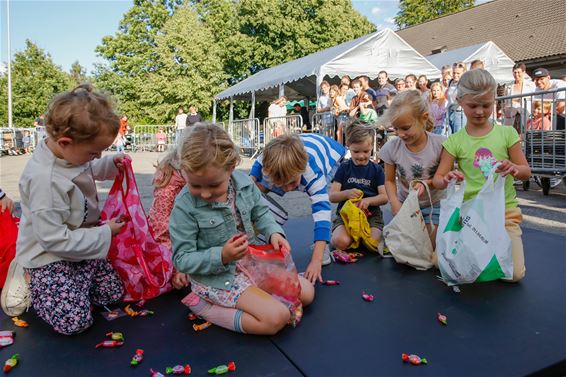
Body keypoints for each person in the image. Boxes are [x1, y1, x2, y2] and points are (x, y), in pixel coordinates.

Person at [1, 84, 127, 334]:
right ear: (65, 142)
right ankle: (27, 279)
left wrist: (111, 164)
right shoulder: (44, 181)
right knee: (74, 322)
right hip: (49, 256)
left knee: (113, 294)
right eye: (94, 152)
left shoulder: (70, 154)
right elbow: (55, 241)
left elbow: (86, 170)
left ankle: (73, 285)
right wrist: (106, 233)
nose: (97, 155)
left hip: (78, 244)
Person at [170, 124, 314, 334]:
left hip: (252, 263)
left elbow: (261, 213)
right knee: (276, 318)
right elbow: (182, 259)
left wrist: (274, 232)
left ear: (231, 168)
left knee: (307, 293)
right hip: (219, 277)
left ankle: (257, 297)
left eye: (213, 185)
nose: (206, 194)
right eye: (196, 185)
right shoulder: (185, 207)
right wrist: (221, 255)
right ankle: (206, 308)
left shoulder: (244, 184)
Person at [432, 69, 531, 282]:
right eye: (473, 106)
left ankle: (486, 255)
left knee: (514, 274)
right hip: (470, 215)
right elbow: (438, 180)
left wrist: (513, 167)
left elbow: (525, 172)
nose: (479, 111)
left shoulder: (507, 134)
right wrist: (447, 178)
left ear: (494, 100)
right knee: (443, 263)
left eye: (486, 105)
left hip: (505, 213)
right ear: (460, 102)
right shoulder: (455, 141)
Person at [249, 133, 346, 283]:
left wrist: (316, 261)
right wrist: (249, 186)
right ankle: (263, 225)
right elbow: (257, 168)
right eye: (283, 184)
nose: (288, 190)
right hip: (298, 146)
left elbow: (322, 213)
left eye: (292, 183)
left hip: (330, 154)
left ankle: (322, 247)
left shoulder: (313, 173)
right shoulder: (268, 159)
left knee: (318, 197)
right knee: (257, 187)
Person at [380, 90, 446, 250]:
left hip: (435, 204)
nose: (400, 134)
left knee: (429, 246)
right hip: (406, 205)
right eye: (396, 129)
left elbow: (443, 179)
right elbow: (388, 180)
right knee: (407, 248)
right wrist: (395, 203)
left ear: (423, 118)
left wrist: (427, 184)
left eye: (405, 128)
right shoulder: (391, 147)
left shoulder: (440, 145)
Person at [330, 122, 388, 253]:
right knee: (341, 242)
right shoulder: (344, 168)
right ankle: (345, 236)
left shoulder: (377, 169)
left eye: (366, 151)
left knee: (372, 244)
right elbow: (332, 196)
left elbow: (384, 197)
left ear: (372, 147)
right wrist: (346, 193)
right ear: (348, 147)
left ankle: (359, 237)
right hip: (347, 215)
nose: (361, 156)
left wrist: (368, 201)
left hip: (371, 215)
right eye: (356, 151)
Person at [147, 146, 189, 290]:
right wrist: (175, 269)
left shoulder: (181, 182)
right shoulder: (169, 190)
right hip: (166, 245)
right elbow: (161, 231)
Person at [503, 63, 536, 130]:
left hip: (526, 115)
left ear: (524, 72)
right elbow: (506, 102)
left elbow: (534, 100)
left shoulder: (531, 85)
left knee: (524, 135)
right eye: (514, 72)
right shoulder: (508, 86)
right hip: (511, 116)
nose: (516, 74)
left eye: (519, 72)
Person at [446, 62, 467, 133]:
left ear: (463, 73)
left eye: (458, 73)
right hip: (450, 112)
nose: (455, 75)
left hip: (460, 113)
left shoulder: (465, 83)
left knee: (459, 137)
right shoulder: (451, 82)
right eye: (454, 73)